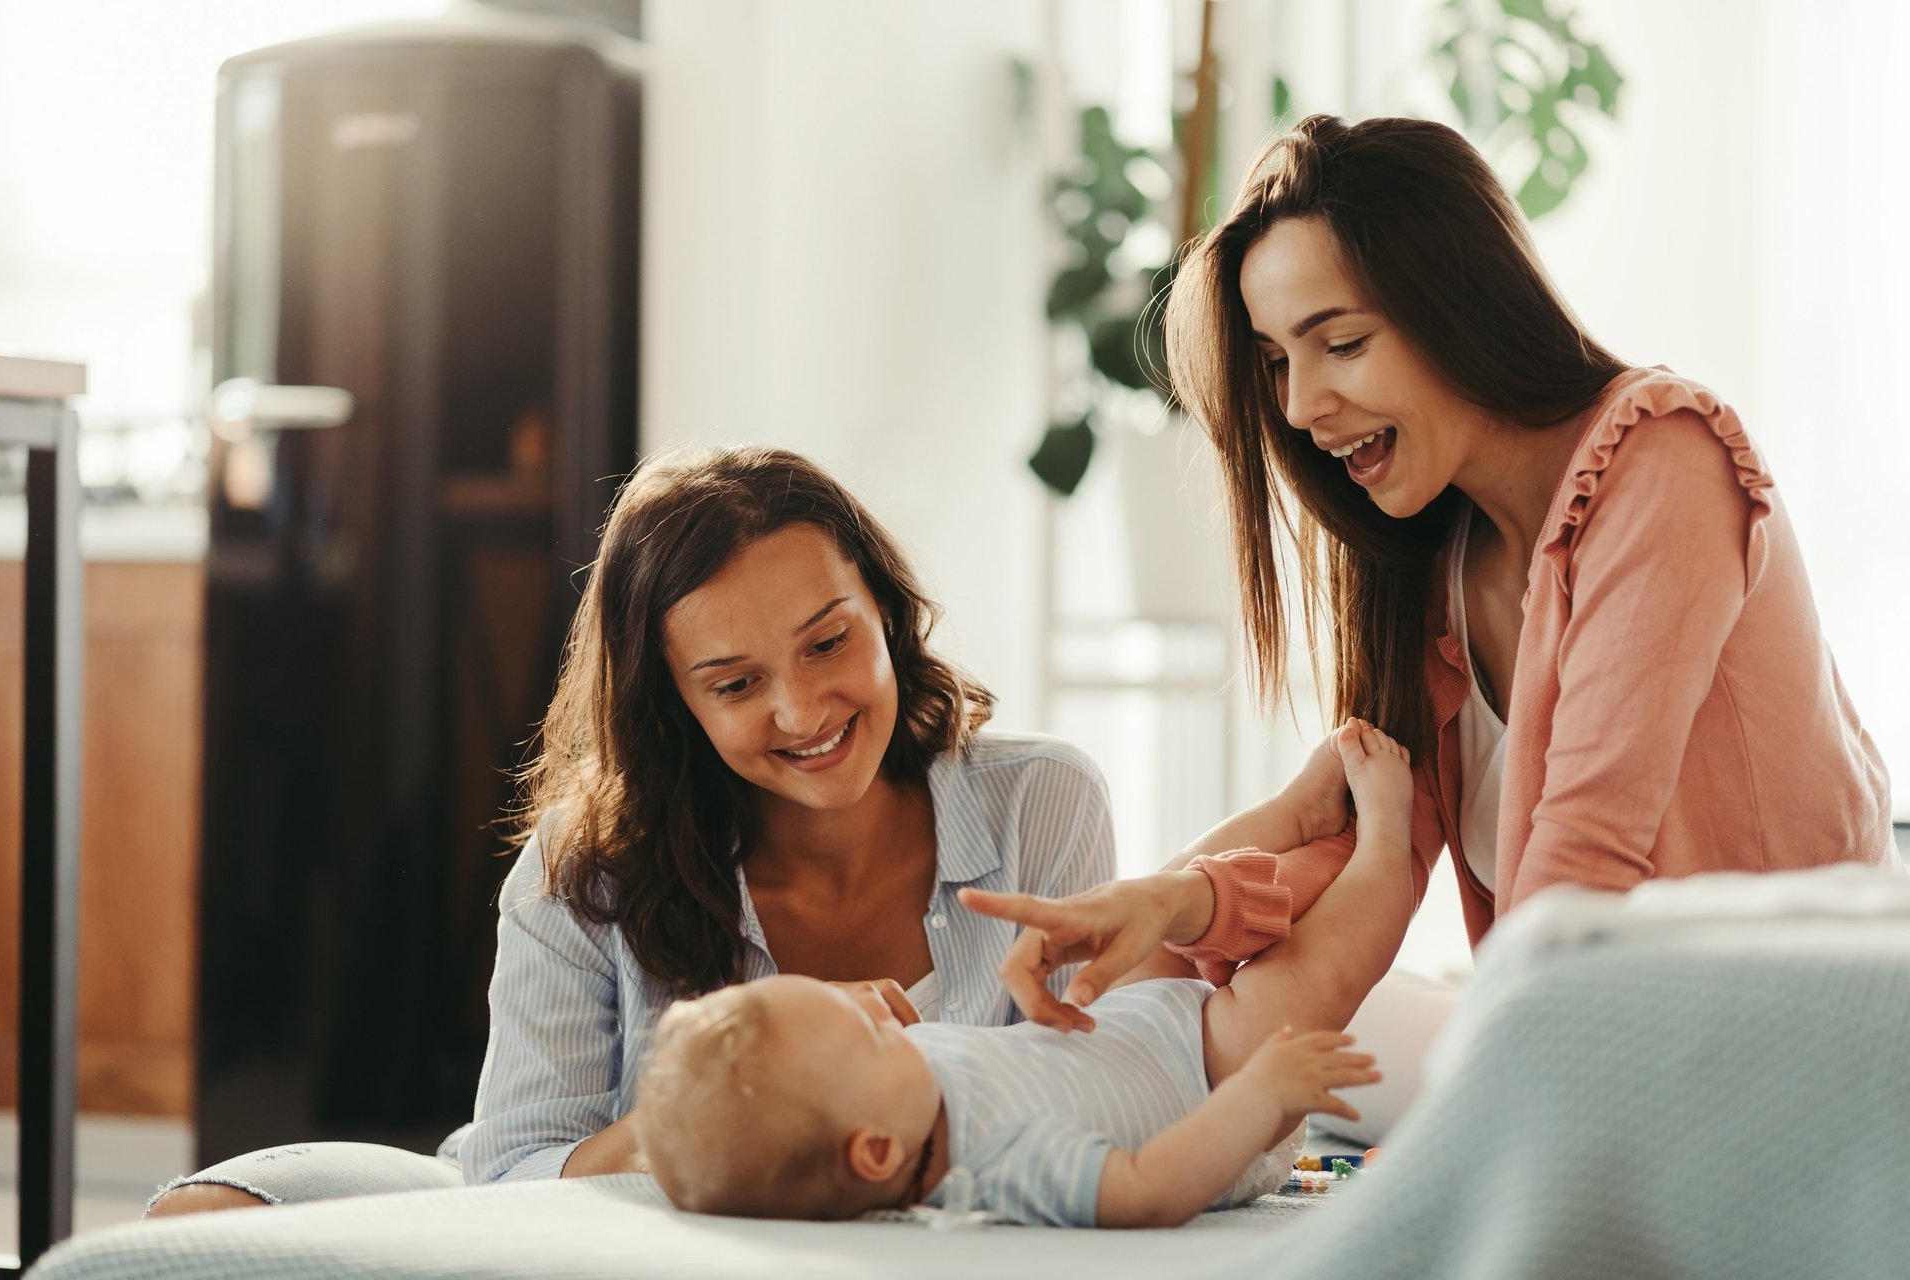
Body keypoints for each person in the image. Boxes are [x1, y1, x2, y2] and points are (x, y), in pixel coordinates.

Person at [965, 114, 1895, 1105]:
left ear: (1459, 303)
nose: (1300, 405)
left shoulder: (1666, 457)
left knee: (1312, 1053)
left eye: (1342, 343)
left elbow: (1581, 872)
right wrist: (1167, 900)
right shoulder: (1435, 553)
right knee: (1229, 1007)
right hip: (1611, 1034)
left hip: (1792, 1058)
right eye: (1279, 359)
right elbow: (1356, 854)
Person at [147, 446, 1119, 1216]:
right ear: (673, 704)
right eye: (736, 683)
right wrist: (718, 1107)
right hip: (612, 1228)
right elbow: (512, 1170)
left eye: (830, 640)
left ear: (887, 611)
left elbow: (1092, 1101)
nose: (802, 708)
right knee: (195, 1220)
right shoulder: (583, 869)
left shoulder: (1041, 801)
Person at [635, 721, 1408, 1227]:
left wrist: (850, 1024)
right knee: (1316, 973)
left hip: (1125, 1024)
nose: (880, 1011)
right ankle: (1389, 845)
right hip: (1208, 1088)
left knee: (1152, 893)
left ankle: (1295, 815)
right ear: (875, 1153)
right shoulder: (993, 1168)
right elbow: (1145, 1187)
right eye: (869, 1036)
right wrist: (1261, 1092)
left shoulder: (890, 1098)